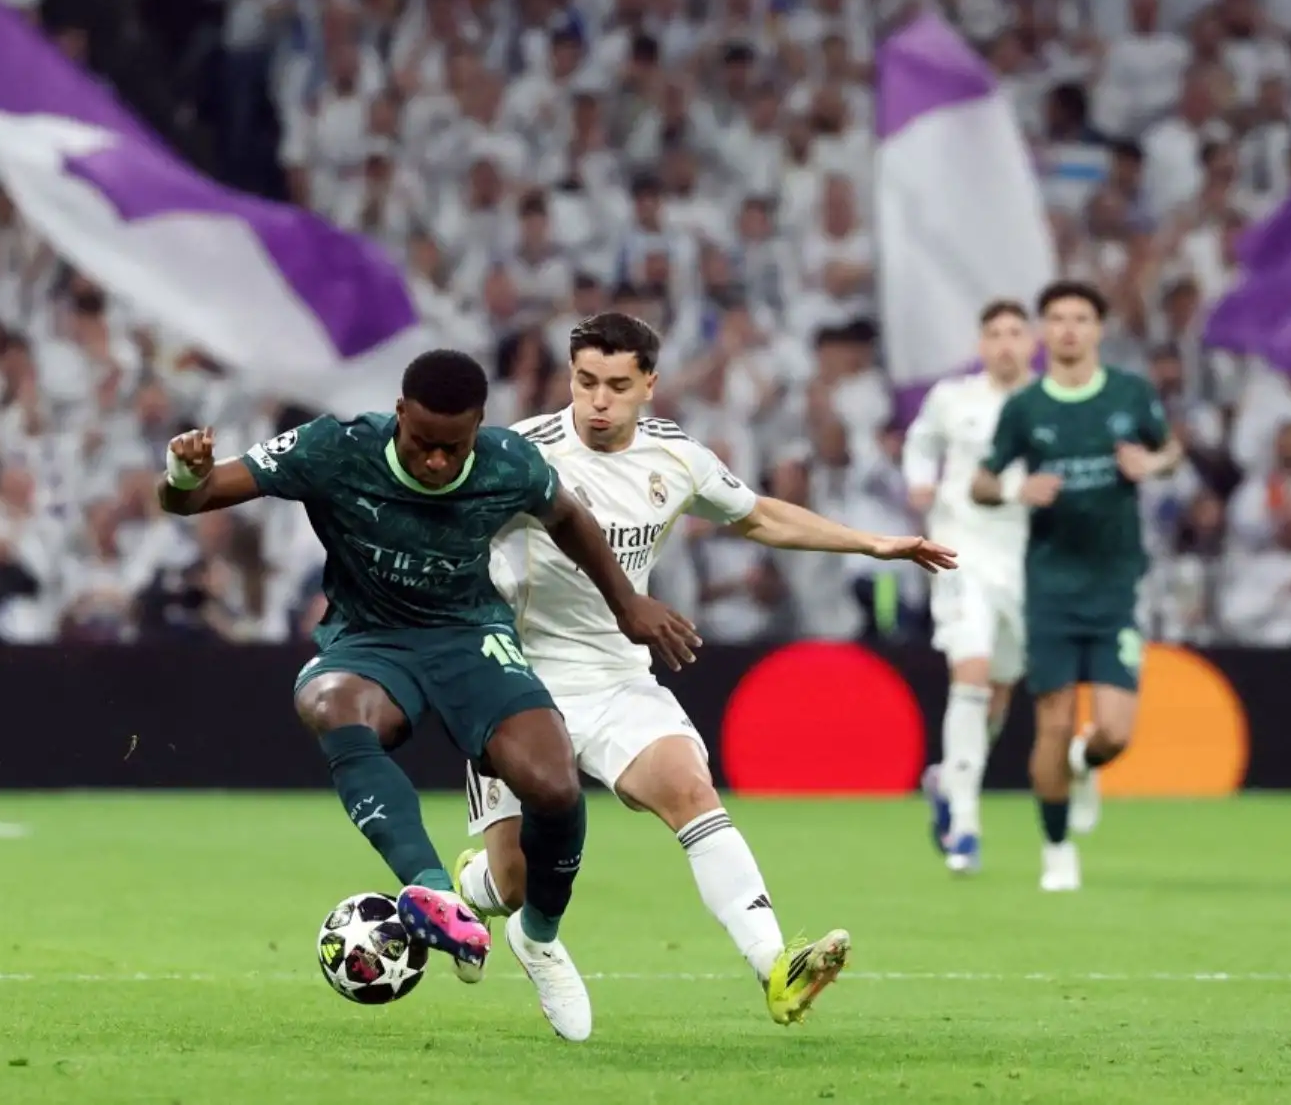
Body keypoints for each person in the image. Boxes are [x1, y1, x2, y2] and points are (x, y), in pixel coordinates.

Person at [158, 349, 697, 1042]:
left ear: (478, 426)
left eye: (455, 446)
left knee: (555, 785)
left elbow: (567, 516)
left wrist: (627, 604)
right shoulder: (336, 449)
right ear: (400, 413)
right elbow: (193, 498)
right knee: (329, 703)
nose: (439, 462)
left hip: (471, 637)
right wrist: (183, 475)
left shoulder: (507, 463)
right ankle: (435, 891)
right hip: (372, 639)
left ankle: (539, 937)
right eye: (423, 444)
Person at [453, 313, 956, 1025]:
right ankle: (472, 892)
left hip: (616, 678)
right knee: (513, 880)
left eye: (617, 386)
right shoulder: (519, 453)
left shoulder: (677, 459)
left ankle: (777, 968)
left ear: (649, 385)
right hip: (516, 679)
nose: (598, 401)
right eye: (585, 381)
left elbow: (756, 517)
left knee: (691, 790)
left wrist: (873, 545)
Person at [971, 282, 1182, 892]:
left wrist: (1153, 464)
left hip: (1115, 584)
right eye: (1057, 319)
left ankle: (1086, 767)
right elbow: (982, 484)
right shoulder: (1026, 408)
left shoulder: (1129, 394)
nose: (1068, 329)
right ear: (1044, 332)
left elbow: (1170, 448)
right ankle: (1056, 848)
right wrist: (1017, 490)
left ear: (1098, 329)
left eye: (1080, 319)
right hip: (1051, 588)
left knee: (1114, 733)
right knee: (1053, 722)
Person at [903, 298, 1096, 873]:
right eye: (996, 333)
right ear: (982, 343)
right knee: (973, 671)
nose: (1007, 343)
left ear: (1030, 343)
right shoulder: (951, 399)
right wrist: (920, 482)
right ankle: (964, 825)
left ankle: (948, 779)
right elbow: (920, 443)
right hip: (962, 552)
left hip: (1027, 561)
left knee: (1000, 692)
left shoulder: (1052, 402)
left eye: (1017, 333)